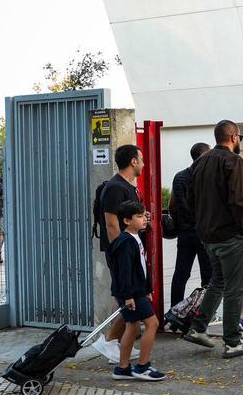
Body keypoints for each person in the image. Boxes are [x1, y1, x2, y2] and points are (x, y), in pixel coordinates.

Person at [184, 120, 243, 359]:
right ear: (234, 137)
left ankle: (198, 328)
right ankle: (232, 341)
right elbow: (239, 199)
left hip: (208, 235)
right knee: (234, 288)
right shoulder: (233, 161)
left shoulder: (200, 162)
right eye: (240, 137)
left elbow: (189, 198)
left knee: (217, 281)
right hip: (231, 235)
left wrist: (202, 224)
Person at [91, 145, 146, 363]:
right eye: (141, 158)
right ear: (133, 161)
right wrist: (123, 252)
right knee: (126, 296)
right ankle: (109, 340)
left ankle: (116, 343)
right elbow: (112, 225)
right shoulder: (115, 188)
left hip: (129, 250)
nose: (143, 162)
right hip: (121, 252)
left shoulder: (127, 187)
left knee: (123, 297)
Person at [106, 200, 165, 381]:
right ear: (126, 221)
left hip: (136, 290)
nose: (144, 219)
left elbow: (140, 267)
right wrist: (129, 296)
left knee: (131, 328)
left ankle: (123, 368)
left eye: (143, 215)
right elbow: (124, 272)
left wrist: (146, 289)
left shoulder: (134, 238)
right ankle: (142, 367)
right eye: (139, 217)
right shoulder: (126, 242)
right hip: (131, 292)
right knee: (152, 324)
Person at [169, 143, 212, 308]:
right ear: (204, 156)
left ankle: (175, 308)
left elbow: (172, 205)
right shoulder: (208, 177)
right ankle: (204, 311)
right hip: (204, 233)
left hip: (185, 233)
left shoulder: (179, 176)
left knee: (181, 273)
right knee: (207, 275)